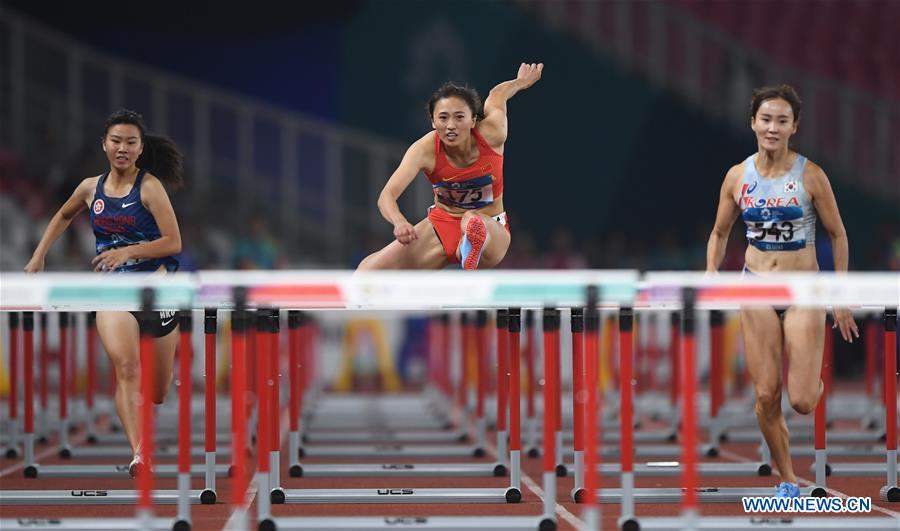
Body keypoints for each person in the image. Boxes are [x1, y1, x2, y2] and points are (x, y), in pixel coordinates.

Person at [706, 85, 859, 497]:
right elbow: (719, 233)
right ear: (753, 123)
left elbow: (838, 234)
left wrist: (840, 295)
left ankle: (812, 381)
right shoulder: (737, 176)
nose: (773, 128)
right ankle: (789, 479)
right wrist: (711, 272)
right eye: (766, 119)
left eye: (782, 121)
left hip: (803, 291)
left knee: (803, 400)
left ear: (794, 127)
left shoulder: (811, 175)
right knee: (765, 394)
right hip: (756, 287)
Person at [24, 109, 184, 477]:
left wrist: (127, 252)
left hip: (157, 291)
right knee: (127, 369)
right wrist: (38, 256)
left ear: (140, 148)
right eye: (116, 141)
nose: (122, 148)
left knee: (158, 392)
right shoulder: (89, 188)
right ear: (104, 145)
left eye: (130, 142)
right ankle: (140, 453)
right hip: (114, 292)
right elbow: (63, 215)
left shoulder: (149, 188)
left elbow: (173, 242)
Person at [356, 63, 543, 271]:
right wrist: (399, 222)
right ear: (433, 122)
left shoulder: (493, 132)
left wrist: (520, 82)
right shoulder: (424, 149)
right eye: (443, 118)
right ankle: (465, 246)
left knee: (472, 221)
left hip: (490, 229)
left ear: (473, 120)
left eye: (459, 117)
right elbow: (387, 196)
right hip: (441, 226)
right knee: (367, 270)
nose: (451, 126)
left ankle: (470, 243)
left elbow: (497, 93)